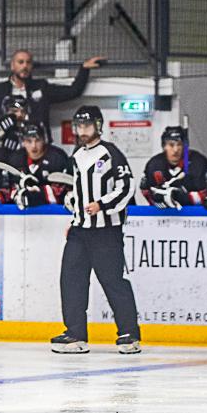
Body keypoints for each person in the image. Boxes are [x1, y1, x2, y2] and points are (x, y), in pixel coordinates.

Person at [52, 106, 140, 355]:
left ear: (98, 126)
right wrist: (74, 211)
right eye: (79, 125)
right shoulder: (77, 155)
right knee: (71, 280)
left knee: (113, 281)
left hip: (106, 232)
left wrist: (102, 205)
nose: (82, 130)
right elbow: (75, 191)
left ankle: (129, 334)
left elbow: (126, 187)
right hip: (80, 230)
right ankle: (75, 334)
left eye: (87, 125)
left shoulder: (111, 153)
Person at [0, 49, 106, 141]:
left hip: (39, 148)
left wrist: (84, 69)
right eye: (21, 62)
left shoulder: (41, 87)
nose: (25, 66)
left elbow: (73, 91)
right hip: (8, 150)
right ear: (13, 65)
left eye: (28, 62)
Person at [140, 126, 207, 209]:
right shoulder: (154, 165)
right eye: (171, 145)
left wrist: (184, 198)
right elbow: (146, 191)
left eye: (179, 145)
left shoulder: (198, 162)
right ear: (164, 146)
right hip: (164, 215)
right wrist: (154, 198)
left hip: (196, 215)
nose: (176, 149)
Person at [7, 123, 70, 210]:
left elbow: (63, 192)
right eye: (29, 141)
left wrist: (36, 195)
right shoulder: (16, 159)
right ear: (23, 142)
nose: (34, 146)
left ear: (44, 140)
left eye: (37, 140)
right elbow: (10, 190)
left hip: (54, 216)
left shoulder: (57, 157)